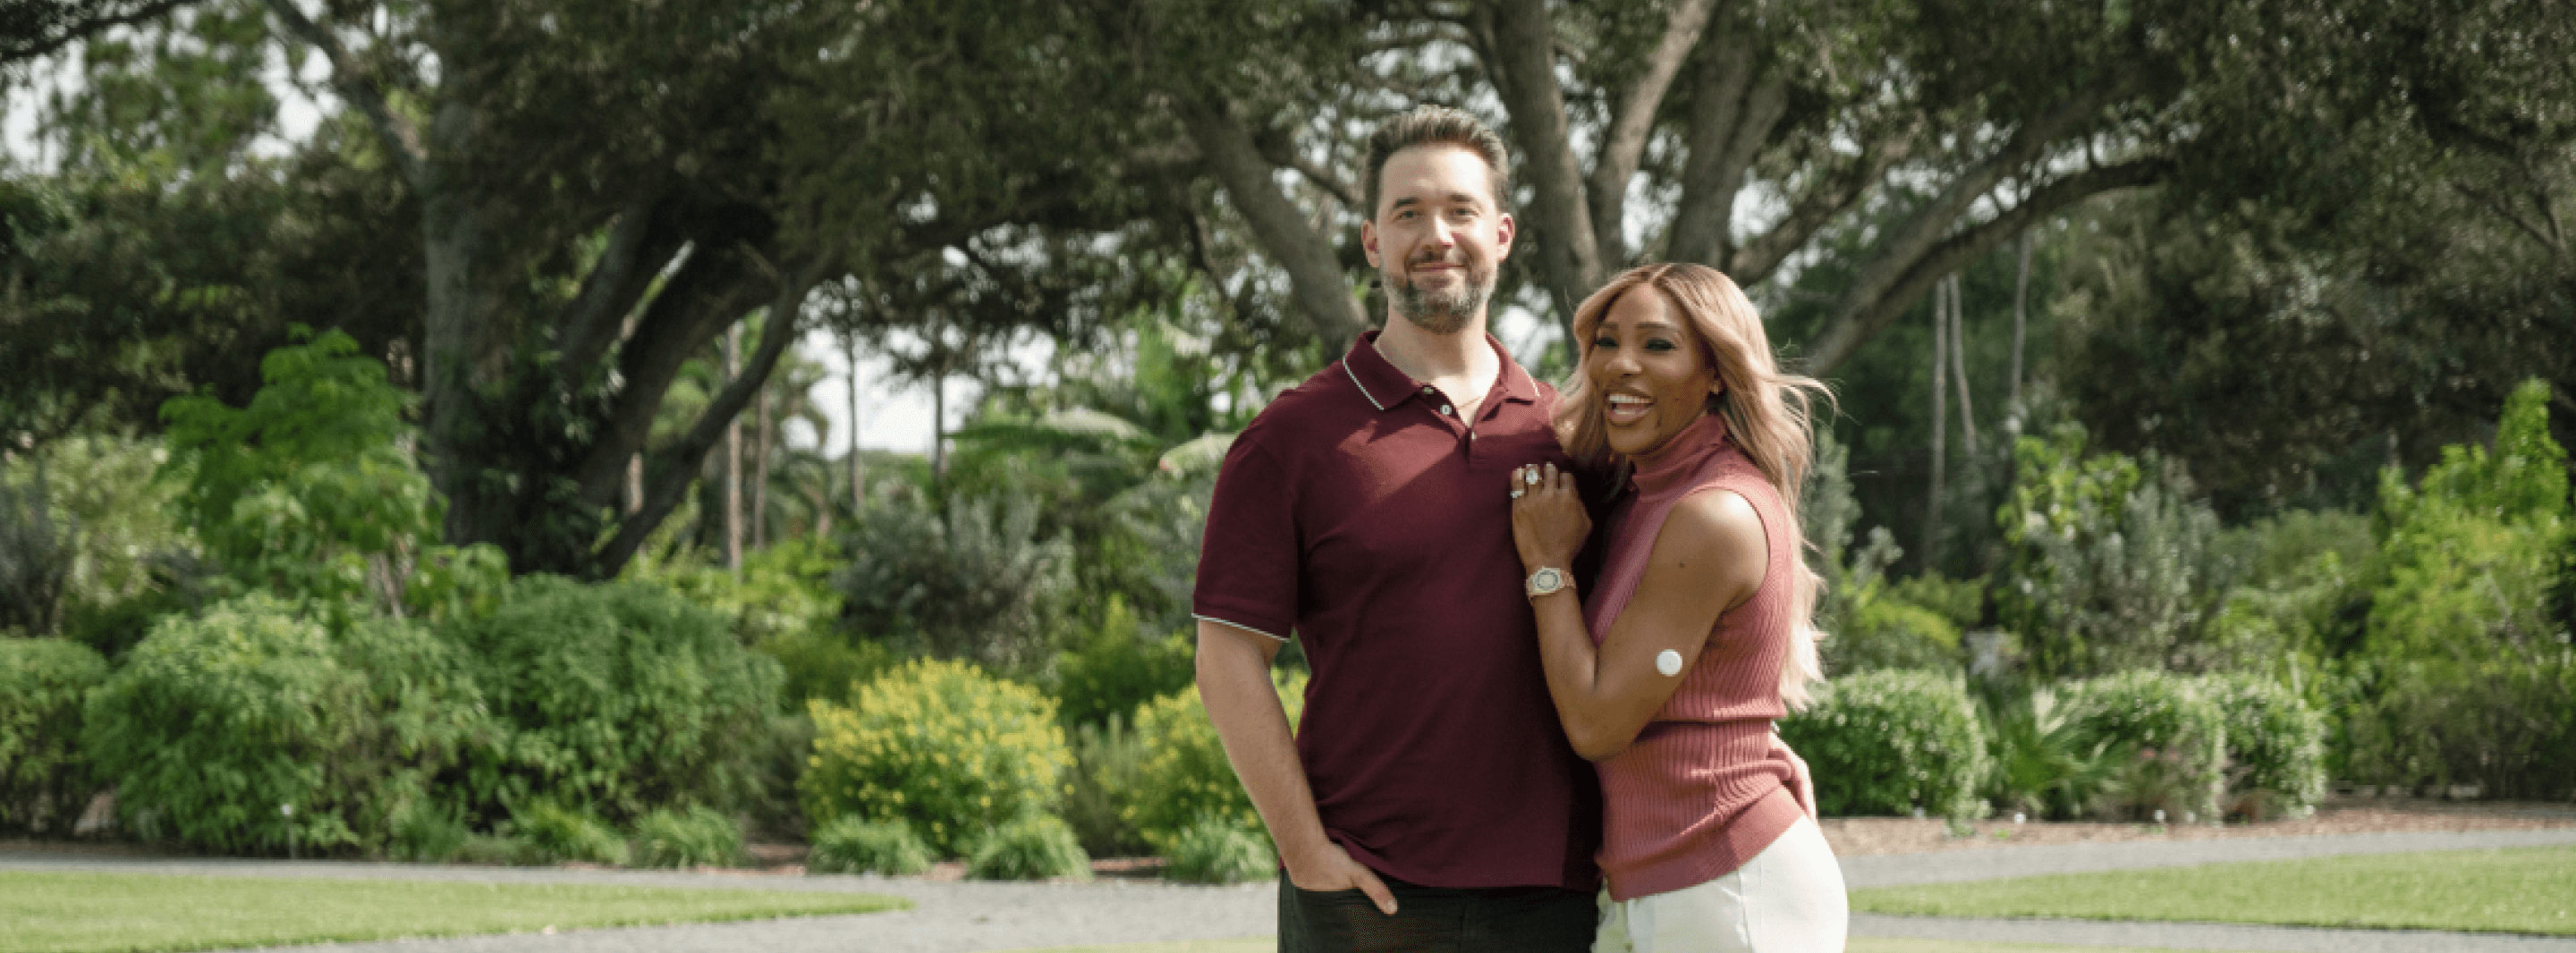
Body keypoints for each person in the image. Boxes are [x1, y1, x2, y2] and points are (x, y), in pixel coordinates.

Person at [1191, 105, 1601, 953]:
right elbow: (1228, 657)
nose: (1435, 235)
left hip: (1553, 888)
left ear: (1502, 232)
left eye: (1457, 210)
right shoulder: (1290, 440)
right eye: (1407, 213)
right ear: (1372, 243)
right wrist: (1305, 853)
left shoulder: (1573, 434)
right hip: (1361, 894)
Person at [1506, 263, 1847, 952]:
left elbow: (1599, 723)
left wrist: (1547, 567)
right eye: (1606, 342)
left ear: (1716, 370)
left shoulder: (1712, 514)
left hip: (1733, 890)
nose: (1620, 365)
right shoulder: (1646, 495)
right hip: (1672, 886)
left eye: (1658, 345)